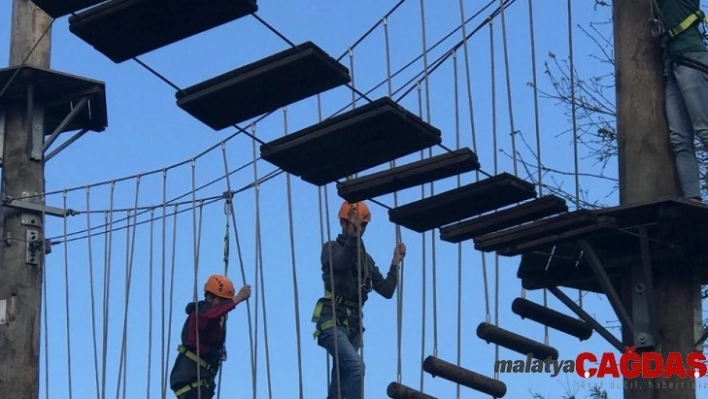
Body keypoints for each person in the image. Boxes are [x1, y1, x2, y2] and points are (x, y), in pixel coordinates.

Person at [311, 201, 406, 399]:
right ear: (343, 223)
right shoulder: (331, 248)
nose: (359, 229)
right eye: (355, 224)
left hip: (352, 327)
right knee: (355, 366)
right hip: (332, 322)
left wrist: (395, 262)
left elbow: (387, 290)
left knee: (340, 384)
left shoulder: (366, 260)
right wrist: (353, 238)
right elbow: (342, 263)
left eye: (362, 226)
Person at [654, 0, 708, 201]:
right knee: (679, 139)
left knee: (704, 130)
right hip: (673, 64)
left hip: (691, 58)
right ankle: (692, 197)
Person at [169, 274, 251, 399]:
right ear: (210, 297)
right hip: (190, 379)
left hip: (199, 383)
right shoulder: (201, 311)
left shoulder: (213, 322)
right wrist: (236, 299)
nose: (223, 307)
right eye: (221, 301)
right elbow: (209, 314)